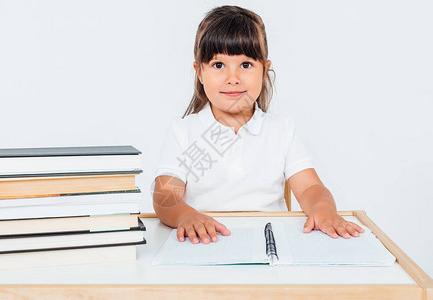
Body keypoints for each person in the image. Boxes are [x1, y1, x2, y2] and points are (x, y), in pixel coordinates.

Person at [153, 5, 364, 245]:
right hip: (204, 244)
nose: (233, 78)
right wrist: (186, 216)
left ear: (264, 70)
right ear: (199, 72)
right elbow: (165, 195)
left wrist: (324, 209)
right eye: (218, 65)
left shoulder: (281, 130)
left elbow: (309, 188)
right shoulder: (183, 132)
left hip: (270, 243)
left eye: (245, 65)